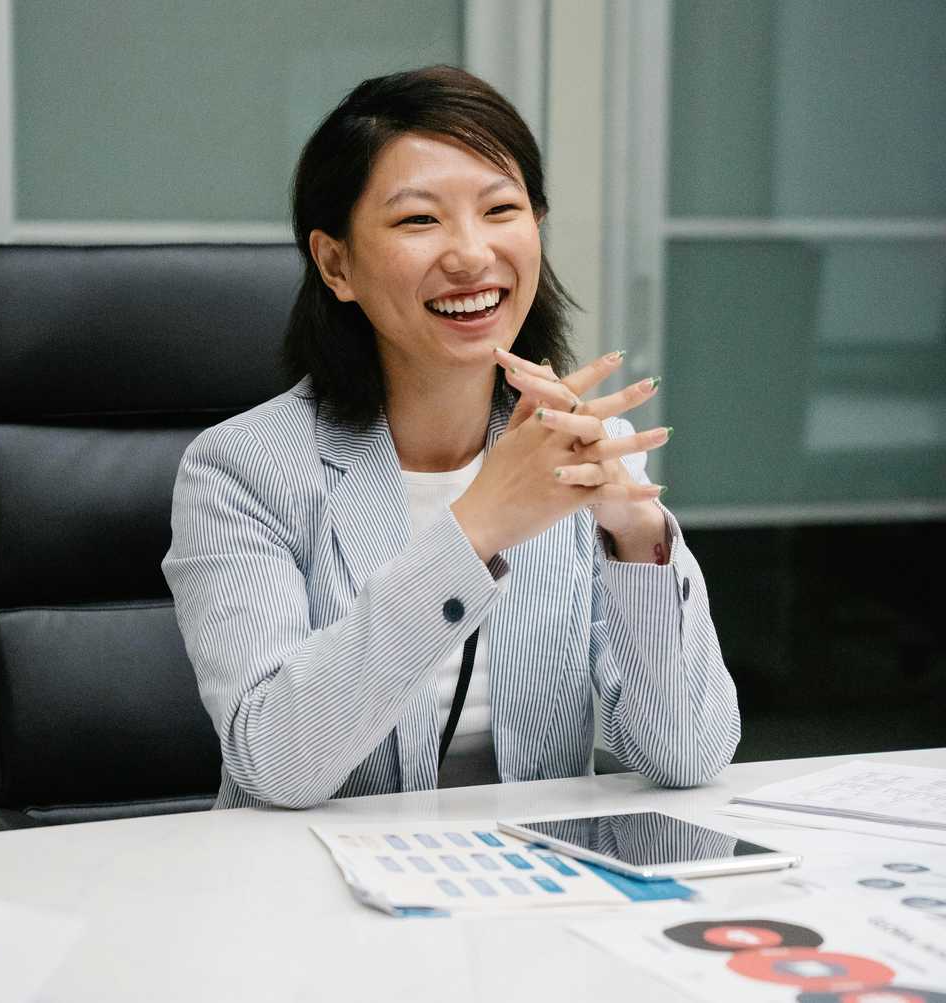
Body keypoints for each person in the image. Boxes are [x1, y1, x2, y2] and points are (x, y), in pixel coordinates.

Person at [163, 65, 739, 810]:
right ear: (337, 263)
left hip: (531, 870)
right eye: (418, 220)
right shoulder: (241, 470)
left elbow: (688, 754)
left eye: (501, 209)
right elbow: (275, 765)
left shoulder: (580, 449)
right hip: (310, 871)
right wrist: (477, 528)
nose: (470, 254)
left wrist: (636, 538)